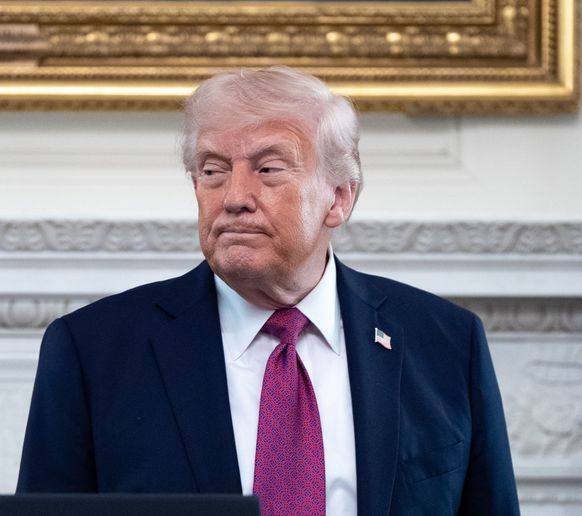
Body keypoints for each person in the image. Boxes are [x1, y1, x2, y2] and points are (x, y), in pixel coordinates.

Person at [16, 66, 520, 516]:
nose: (234, 197)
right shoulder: (93, 351)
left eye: (268, 169)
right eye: (213, 171)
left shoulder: (447, 342)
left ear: (339, 198)